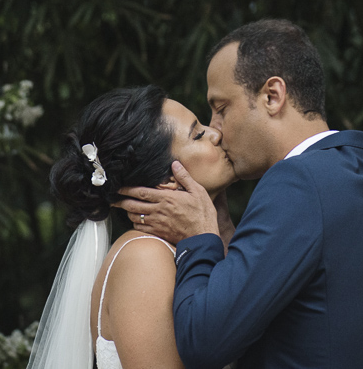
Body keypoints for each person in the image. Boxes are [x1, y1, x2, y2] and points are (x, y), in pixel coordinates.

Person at [118, 19, 363, 368]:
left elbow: (204, 342)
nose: (216, 132)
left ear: (272, 96)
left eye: (221, 109)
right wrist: (222, 228)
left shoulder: (297, 183)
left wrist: (200, 236)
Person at [25, 85, 238, 369]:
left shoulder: (185, 245)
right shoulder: (144, 256)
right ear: (168, 181)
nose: (216, 133)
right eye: (198, 134)